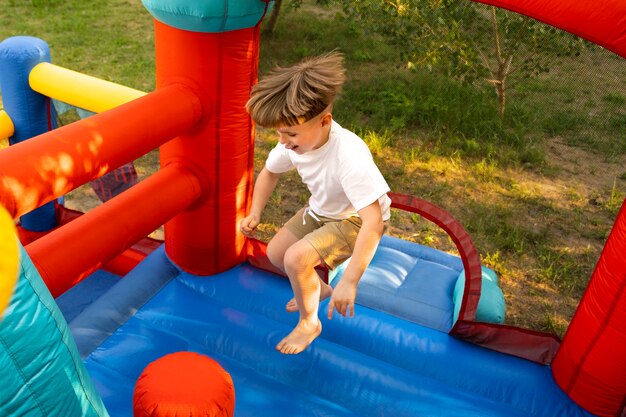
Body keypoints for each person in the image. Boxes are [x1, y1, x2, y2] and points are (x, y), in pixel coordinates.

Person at [240, 51, 391, 355]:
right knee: (276, 253)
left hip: (356, 220)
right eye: (279, 133)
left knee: (296, 258)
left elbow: (373, 221)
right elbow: (269, 172)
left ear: (325, 121)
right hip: (321, 210)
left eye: (290, 133)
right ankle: (316, 288)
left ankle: (309, 322)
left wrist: (350, 280)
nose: (283, 141)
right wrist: (255, 210)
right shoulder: (294, 143)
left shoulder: (349, 156)